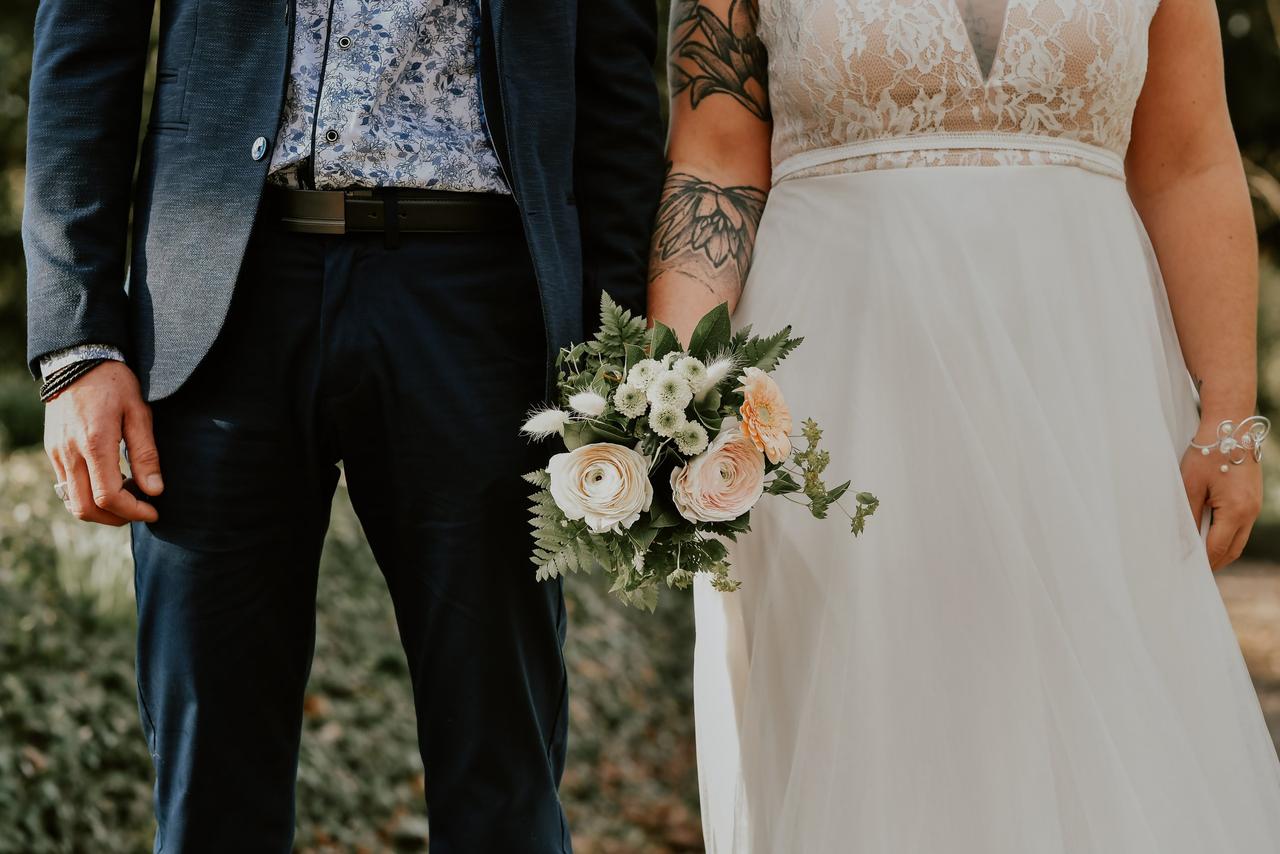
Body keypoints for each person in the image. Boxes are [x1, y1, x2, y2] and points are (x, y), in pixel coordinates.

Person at [24, 0, 663, 850]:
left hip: (479, 296)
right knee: (209, 780)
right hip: (220, 295)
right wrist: (76, 341)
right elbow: (82, 42)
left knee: (500, 767)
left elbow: (618, 88)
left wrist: (615, 367)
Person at [649, 1, 1280, 851]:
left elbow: (1190, 163)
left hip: (1089, 400)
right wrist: (678, 400)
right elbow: (714, 160)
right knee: (873, 712)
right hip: (837, 406)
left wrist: (1229, 418)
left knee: (1090, 709)